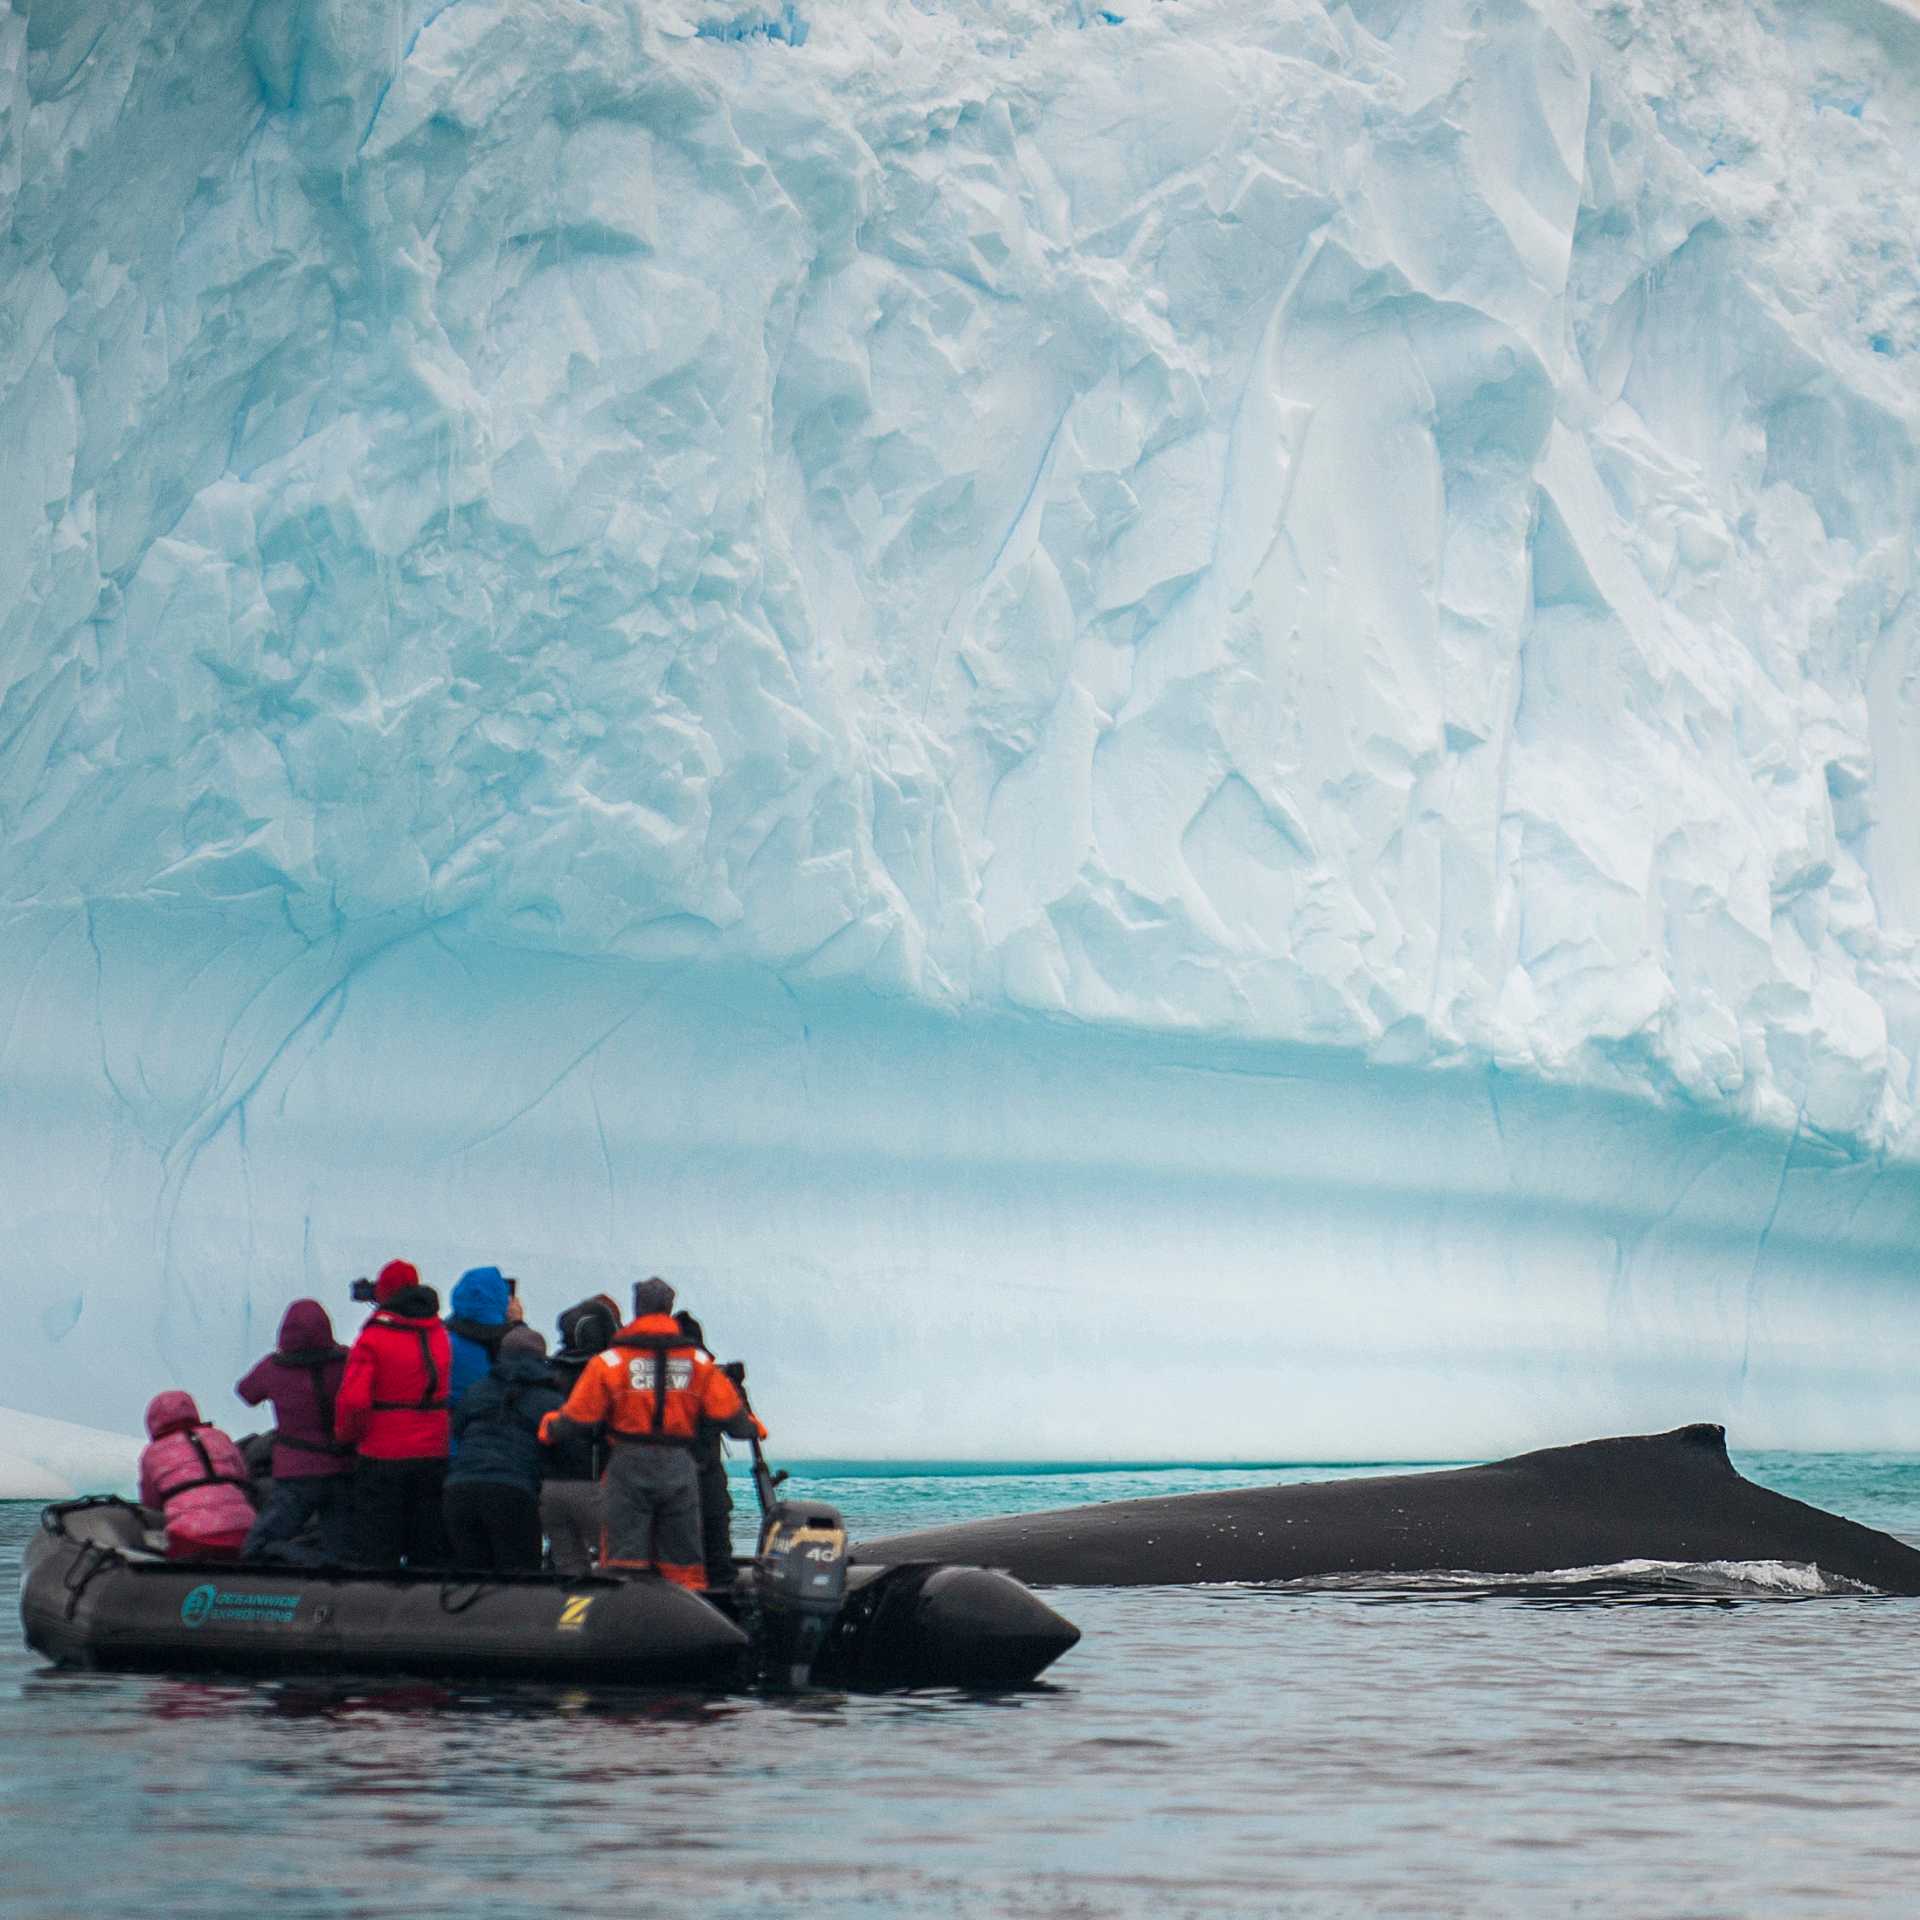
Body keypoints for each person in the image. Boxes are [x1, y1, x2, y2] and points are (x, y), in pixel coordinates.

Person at [539, 1276, 762, 1590]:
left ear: (637, 1308)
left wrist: (550, 1427)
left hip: (627, 1465)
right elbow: (734, 1420)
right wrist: (754, 1427)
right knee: (682, 1561)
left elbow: (578, 1417)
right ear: (668, 1307)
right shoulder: (697, 1362)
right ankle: (685, 1612)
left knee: (625, 1561)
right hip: (679, 1467)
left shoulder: (612, 1362)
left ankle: (628, 1612)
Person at [335, 1258, 452, 1568]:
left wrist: (346, 1437)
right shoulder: (439, 1333)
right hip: (434, 1451)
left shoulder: (373, 1338)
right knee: (427, 1545)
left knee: (378, 1548)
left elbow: (354, 1401)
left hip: (383, 1454)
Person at [234, 1298, 353, 1562]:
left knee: (257, 1546)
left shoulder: (273, 1368)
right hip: (342, 1471)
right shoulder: (347, 1361)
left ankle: (308, 1563)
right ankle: (325, 1566)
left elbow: (246, 1392)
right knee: (342, 1554)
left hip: (297, 1476)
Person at [443, 1325, 564, 1572]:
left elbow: (456, 1430)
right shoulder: (551, 1400)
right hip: (513, 1490)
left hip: (460, 1488)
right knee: (520, 1578)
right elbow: (561, 1448)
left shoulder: (477, 1390)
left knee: (468, 1577)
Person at [541, 1294, 621, 1576]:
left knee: (568, 1571)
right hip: (594, 1484)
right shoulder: (608, 1374)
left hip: (550, 1487)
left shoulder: (547, 1374)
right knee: (625, 1566)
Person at [138, 1391, 257, 1561]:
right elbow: (244, 1476)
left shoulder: (152, 1453)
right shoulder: (220, 1437)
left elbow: (150, 1503)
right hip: (245, 1530)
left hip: (190, 1537)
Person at [675, 1310, 742, 1589]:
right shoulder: (712, 1379)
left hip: (668, 1483)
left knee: (674, 1558)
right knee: (718, 1561)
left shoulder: (650, 1378)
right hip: (707, 1482)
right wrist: (734, 1389)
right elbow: (742, 1428)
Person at [445, 1266, 514, 1411]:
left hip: (446, 1419)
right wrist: (518, 1324)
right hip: (491, 1419)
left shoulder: (441, 1341)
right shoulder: (507, 1345)